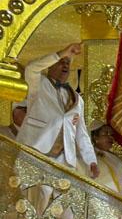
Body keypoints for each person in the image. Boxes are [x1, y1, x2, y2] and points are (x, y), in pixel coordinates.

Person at [16, 43, 98, 177]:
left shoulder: (77, 99)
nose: (65, 65)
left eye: (67, 62)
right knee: (34, 197)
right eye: (61, 62)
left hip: (64, 160)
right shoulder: (39, 84)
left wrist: (91, 161)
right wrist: (61, 53)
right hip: (35, 151)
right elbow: (31, 68)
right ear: (50, 65)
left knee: (60, 197)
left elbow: (81, 134)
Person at [82, 121, 122, 196]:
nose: (110, 137)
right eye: (106, 133)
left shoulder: (117, 158)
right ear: (95, 137)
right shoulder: (90, 157)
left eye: (111, 134)